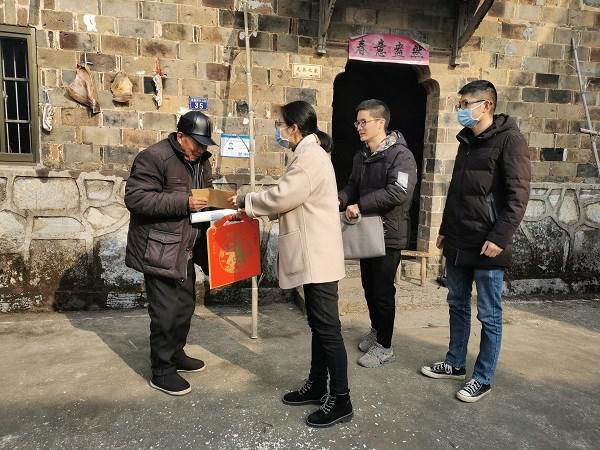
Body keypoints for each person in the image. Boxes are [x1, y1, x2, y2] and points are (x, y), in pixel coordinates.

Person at [229, 101, 352, 428]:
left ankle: (341, 399)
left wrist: (245, 200)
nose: (278, 130)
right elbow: (291, 200)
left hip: (318, 255)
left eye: (280, 125)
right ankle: (318, 384)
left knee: (328, 329)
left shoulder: (310, 158)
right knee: (319, 326)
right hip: (315, 253)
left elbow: (282, 196)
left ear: (294, 128)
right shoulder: (308, 154)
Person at [421, 80, 531, 402]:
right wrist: (444, 228)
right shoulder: (466, 140)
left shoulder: (510, 141)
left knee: (489, 314)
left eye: (467, 104)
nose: (461, 110)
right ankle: (455, 362)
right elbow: (456, 190)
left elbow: (518, 196)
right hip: (459, 238)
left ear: (487, 105)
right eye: (460, 104)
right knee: (456, 304)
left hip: (488, 244)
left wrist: (500, 237)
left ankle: (482, 378)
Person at [124, 111, 217, 396]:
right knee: (165, 313)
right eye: (197, 143)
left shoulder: (202, 161)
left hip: (186, 247)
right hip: (160, 249)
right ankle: (162, 370)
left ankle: (176, 353)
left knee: (185, 306)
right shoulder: (154, 157)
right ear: (180, 136)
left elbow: (207, 194)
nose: (201, 149)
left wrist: (220, 206)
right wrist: (184, 202)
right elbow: (136, 198)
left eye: (205, 144)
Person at [338, 99, 417, 368]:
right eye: (357, 122)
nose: (359, 127)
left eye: (364, 122)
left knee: (383, 291)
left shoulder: (400, 156)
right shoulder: (362, 155)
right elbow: (352, 185)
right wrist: (339, 199)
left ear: (381, 123)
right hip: (367, 231)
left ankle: (385, 345)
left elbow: (398, 192)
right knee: (369, 287)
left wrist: (360, 205)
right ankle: (376, 330)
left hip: (388, 233)